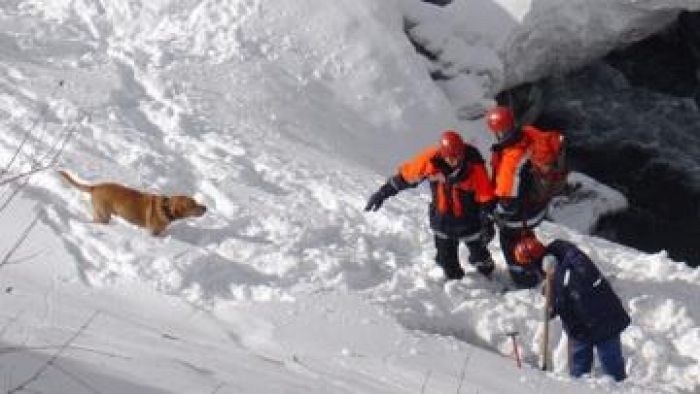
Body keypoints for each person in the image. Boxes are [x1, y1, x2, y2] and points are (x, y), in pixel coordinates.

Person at [365, 130, 496, 280]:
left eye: (458, 156)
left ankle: (485, 268)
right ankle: (456, 281)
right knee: (451, 270)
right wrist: (382, 193)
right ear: (442, 154)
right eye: (450, 158)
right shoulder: (430, 160)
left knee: (484, 264)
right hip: (443, 223)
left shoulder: (474, 166)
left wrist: (488, 222)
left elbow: (486, 196)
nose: (455, 161)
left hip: (470, 223)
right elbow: (406, 177)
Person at [513, 232, 630, 381]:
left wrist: (558, 276)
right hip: (579, 327)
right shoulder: (549, 271)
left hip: (602, 318)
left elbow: (581, 277)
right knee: (579, 371)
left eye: (527, 266)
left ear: (533, 261)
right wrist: (552, 306)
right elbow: (562, 295)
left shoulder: (568, 257)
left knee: (612, 368)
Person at [485, 105, 567, 288]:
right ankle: (541, 263)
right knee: (526, 238)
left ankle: (526, 280)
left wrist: (494, 214)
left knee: (510, 243)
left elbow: (508, 204)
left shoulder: (511, 161)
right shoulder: (529, 134)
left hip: (522, 216)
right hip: (537, 206)